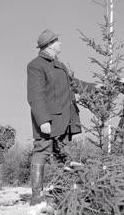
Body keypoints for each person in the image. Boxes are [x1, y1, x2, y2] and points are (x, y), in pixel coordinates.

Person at [27, 29, 94, 206]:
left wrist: (97, 87)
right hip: (49, 121)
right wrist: (43, 120)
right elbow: (35, 95)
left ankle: (61, 192)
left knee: (63, 155)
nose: (60, 44)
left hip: (65, 120)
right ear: (49, 45)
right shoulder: (36, 65)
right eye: (58, 41)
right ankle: (36, 195)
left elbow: (75, 84)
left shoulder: (60, 66)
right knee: (41, 151)